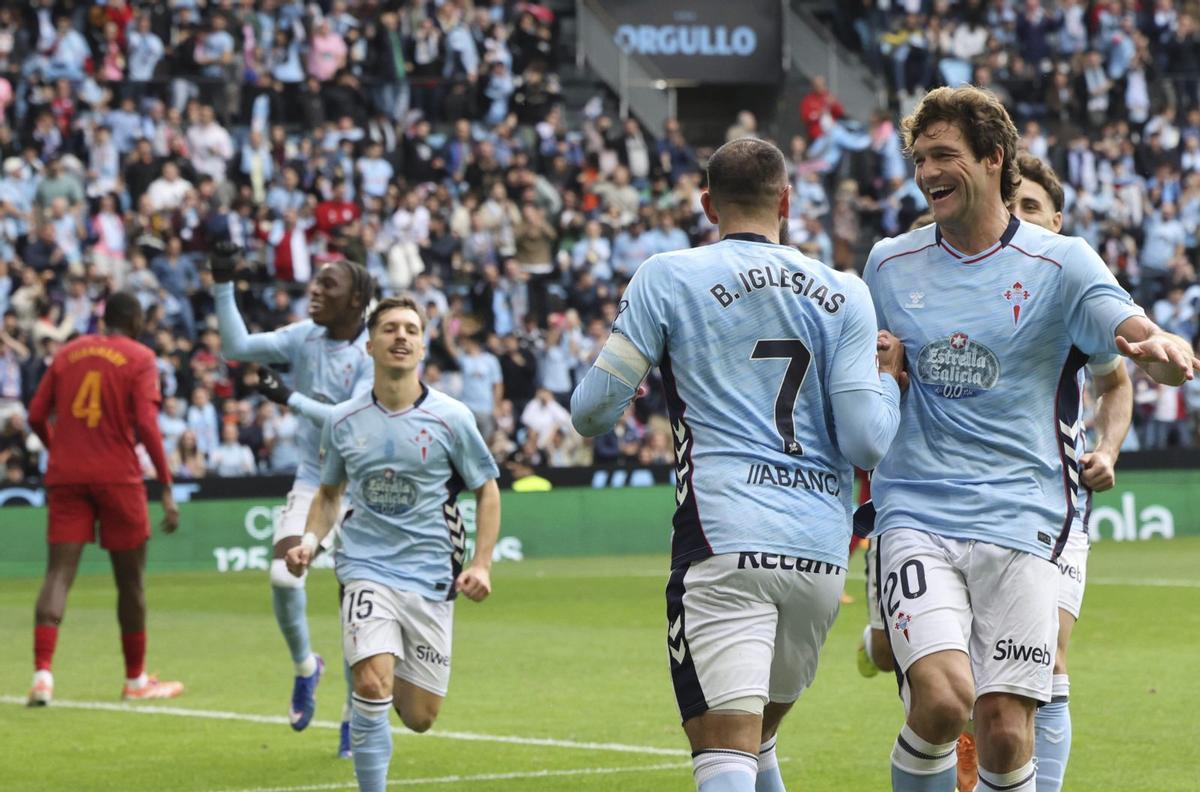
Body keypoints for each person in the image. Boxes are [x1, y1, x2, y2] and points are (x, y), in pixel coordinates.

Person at [861, 86, 1196, 792]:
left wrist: (1160, 348)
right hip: (916, 511)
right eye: (920, 159)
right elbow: (872, 375)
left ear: (993, 158)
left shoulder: (1063, 263)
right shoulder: (888, 264)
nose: (927, 172)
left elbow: (1130, 332)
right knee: (944, 700)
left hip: (1024, 516)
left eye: (944, 155)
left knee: (1008, 729)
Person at [571, 137, 906, 792]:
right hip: (818, 556)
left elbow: (591, 411)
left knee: (724, 751)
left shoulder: (668, 276)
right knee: (759, 740)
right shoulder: (846, 291)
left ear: (707, 205)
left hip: (724, 540)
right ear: (787, 201)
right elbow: (867, 443)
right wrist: (890, 384)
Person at [285, 296, 501, 792]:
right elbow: (329, 493)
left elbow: (487, 490)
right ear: (370, 345)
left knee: (421, 716)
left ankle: (386, 684)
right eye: (389, 328)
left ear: (423, 346)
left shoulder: (452, 418)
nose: (400, 336)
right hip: (364, 566)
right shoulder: (343, 419)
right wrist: (310, 540)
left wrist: (482, 564)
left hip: (431, 573)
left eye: (410, 329)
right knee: (370, 682)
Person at [210, 242, 375, 757]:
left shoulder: (373, 351)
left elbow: (350, 417)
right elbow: (236, 346)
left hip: (367, 488)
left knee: (357, 608)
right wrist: (222, 283)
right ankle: (307, 666)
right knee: (284, 576)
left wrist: (290, 398)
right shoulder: (304, 337)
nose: (315, 290)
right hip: (316, 478)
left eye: (328, 285)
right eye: (316, 281)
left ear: (355, 300)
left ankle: (354, 716)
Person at [1009, 152, 1134, 792]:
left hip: (1059, 507)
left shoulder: (1073, 292)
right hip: (964, 509)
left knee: (1049, 659)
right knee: (972, 684)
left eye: (1031, 206)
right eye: (1010, 205)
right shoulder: (957, 285)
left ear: (1056, 220)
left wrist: (1106, 450)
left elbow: (1116, 384)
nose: (1019, 216)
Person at [25, 292, 182, 706]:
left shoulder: (67, 352)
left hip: (67, 476)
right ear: (135, 322)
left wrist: (58, 449)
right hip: (118, 478)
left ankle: (42, 675)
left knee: (58, 574)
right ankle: (135, 680)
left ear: (104, 319)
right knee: (130, 582)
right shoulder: (141, 357)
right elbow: (147, 424)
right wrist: (166, 485)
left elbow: (36, 415)